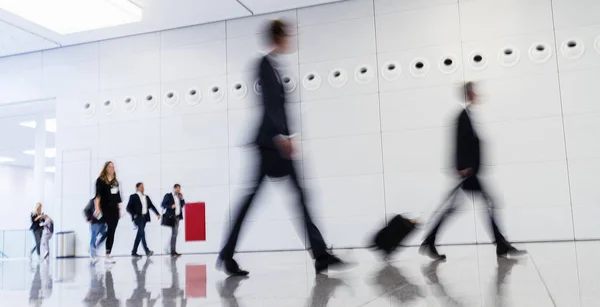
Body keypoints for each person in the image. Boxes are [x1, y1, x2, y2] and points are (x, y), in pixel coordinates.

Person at [217, 19, 345, 276]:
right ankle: (226, 254)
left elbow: (278, 106)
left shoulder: (274, 66)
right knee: (257, 200)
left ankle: (320, 255)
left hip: (278, 144)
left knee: (298, 196)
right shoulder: (263, 65)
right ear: (278, 38)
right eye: (288, 35)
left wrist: (289, 135)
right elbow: (268, 103)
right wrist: (280, 136)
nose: (291, 39)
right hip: (269, 146)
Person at [420, 82, 526, 260]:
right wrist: (460, 167)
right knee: (489, 203)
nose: (477, 94)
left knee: (460, 207)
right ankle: (500, 244)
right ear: (469, 94)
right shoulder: (462, 116)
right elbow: (457, 143)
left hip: (470, 172)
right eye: (474, 91)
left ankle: (429, 242)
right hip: (468, 172)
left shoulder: (468, 115)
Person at [93, 161, 122, 264]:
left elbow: (117, 198)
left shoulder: (115, 182)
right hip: (104, 209)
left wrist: (119, 210)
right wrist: (97, 208)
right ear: (105, 168)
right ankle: (94, 248)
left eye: (113, 167)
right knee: (100, 230)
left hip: (114, 210)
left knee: (111, 232)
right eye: (110, 166)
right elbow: (97, 196)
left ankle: (108, 254)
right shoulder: (100, 181)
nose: (112, 168)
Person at [127, 182, 160, 257]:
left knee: (139, 235)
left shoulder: (146, 197)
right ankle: (147, 251)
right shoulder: (133, 197)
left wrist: (157, 213)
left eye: (143, 187)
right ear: (137, 188)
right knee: (142, 233)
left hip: (145, 218)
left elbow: (151, 206)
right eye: (141, 187)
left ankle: (134, 252)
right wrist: (133, 214)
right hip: (138, 218)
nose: (143, 188)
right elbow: (128, 208)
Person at [161, 184, 185, 257]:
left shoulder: (178, 196)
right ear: (174, 188)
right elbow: (163, 204)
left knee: (175, 234)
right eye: (178, 189)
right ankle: (172, 251)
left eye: (179, 189)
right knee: (174, 234)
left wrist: (182, 199)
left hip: (177, 217)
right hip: (171, 217)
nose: (179, 190)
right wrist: (171, 206)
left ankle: (173, 251)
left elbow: (182, 205)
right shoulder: (168, 196)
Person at [84, 198, 107, 262]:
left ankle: (93, 248)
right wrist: (89, 219)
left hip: (102, 223)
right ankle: (93, 255)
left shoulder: (104, 201)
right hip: (95, 223)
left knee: (106, 234)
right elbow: (86, 210)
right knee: (93, 238)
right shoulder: (92, 201)